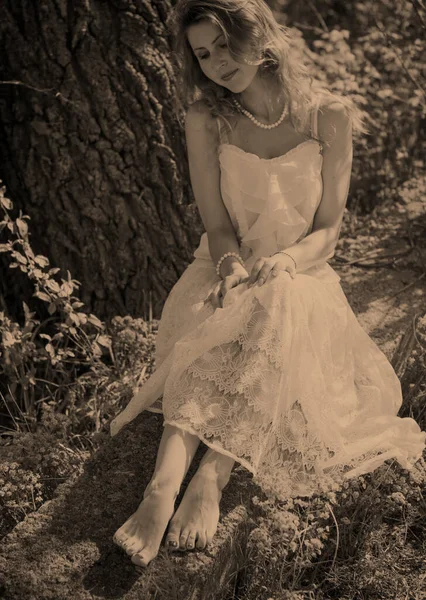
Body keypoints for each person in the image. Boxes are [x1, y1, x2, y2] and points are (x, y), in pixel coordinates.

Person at [110, 0, 426, 569]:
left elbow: (329, 229)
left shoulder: (328, 114)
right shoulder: (207, 118)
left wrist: (284, 262)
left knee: (277, 300)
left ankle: (213, 472)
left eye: (225, 46)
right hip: (223, 263)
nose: (216, 63)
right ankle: (161, 487)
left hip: (300, 270)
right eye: (203, 54)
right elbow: (216, 225)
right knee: (218, 332)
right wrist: (232, 267)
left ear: (260, 36)